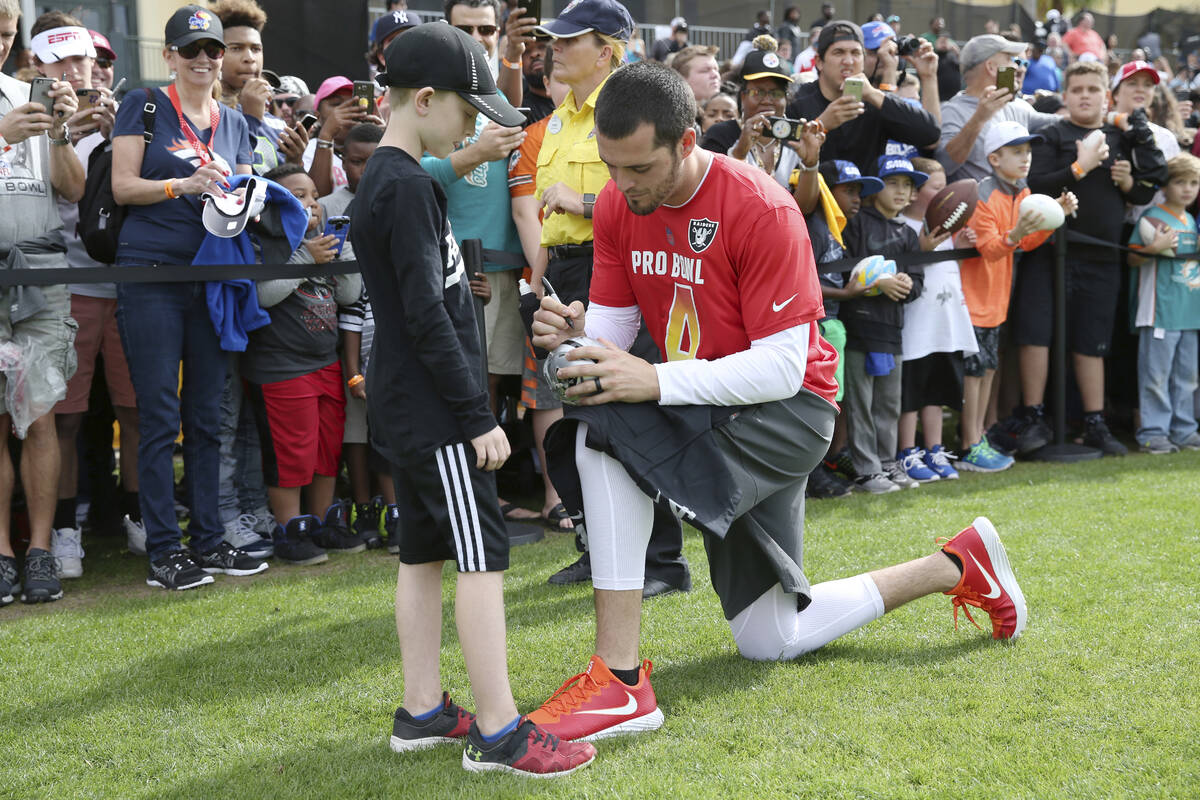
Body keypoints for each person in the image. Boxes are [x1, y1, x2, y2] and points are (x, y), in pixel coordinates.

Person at [527, 63, 1028, 742]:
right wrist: (578, 336)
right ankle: (959, 563)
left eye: (637, 167)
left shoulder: (760, 206)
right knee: (772, 636)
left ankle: (618, 684)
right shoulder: (620, 202)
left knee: (601, 432)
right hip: (708, 405)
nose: (620, 186)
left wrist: (652, 382)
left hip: (787, 413)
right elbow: (615, 333)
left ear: (685, 142)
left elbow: (783, 368)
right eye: (611, 168)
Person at [351, 21, 596, 777]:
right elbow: (426, 315)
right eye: (467, 110)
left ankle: (422, 712)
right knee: (481, 555)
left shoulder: (397, 180)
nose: (473, 128)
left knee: (424, 551)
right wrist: (476, 417)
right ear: (423, 100)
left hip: (406, 401)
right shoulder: (409, 186)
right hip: (433, 408)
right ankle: (498, 732)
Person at [531, 0, 691, 593]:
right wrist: (537, 279)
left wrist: (586, 204)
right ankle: (600, 549)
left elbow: (659, 203)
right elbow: (551, 215)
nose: (556, 48)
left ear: (607, 50)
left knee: (633, 415)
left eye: (570, 40)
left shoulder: (639, 109)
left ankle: (663, 561)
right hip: (568, 275)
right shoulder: (559, 117)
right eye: (554, 39)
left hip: (629, 273)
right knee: (583, 415)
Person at [110, 5, 265, 591]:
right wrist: (183, 184)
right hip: (149, 274)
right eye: (192, 49)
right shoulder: (145, 104)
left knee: (205, 415)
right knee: (158, 417)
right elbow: (124, 187)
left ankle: (209, 540)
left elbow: (245, 188)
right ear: (170, 55)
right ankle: (164, 552)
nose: (204, 59)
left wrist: (248, 199)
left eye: (213, 50)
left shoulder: (233, 120)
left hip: (211, 274)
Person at [27, 11, 134, 580]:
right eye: (64, 60)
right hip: (64, 285)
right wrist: (66, 129)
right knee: (63, 418)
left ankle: (142, 515)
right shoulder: (28, 116)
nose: (78, 70)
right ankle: (65, 529)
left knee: (136, 409)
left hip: (129, 281)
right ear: (38, 66)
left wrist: (116, 135)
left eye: (84, 59)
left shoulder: (124, 115)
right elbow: (69, 187)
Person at [1018, 60, 1166, 456]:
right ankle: (1033, 416)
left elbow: (1149, 186)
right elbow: (1035, 186)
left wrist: (1129, 180)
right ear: (1065, 96)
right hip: (1048, 254)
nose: (1085, 95)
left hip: (1101, 256)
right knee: (1037, 334)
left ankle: (1095, 421)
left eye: (1093, 89)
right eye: (1077, 89)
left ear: (1106, 97)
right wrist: (1080, 166)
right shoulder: (1051, 134)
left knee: (1092, 342)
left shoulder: (1121, 137)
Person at [425, 0, 530, 525]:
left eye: (485, 27)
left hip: (503, 266)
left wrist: (510, 57)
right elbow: (408, 174)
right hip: (449, 266)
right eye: (464, 27)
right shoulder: (427, 94)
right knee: (468, 381)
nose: (477, 35)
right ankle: (472, 496)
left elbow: (510, 113)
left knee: (495, 383)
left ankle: (485, 493)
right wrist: (474, 153)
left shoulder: (497, 96)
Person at [0, 1, 85, 605]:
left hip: (42, 267)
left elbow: (74, 187)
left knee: (41, 415)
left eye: (3, 34)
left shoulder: (21, 89)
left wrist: (58, 133)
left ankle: (39, 552)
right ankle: (1, 554)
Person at [242, 162, 362, 561]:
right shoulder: (263, 243)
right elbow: (262, 295)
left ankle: (322, 522)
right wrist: (304, 259)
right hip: (281, 368)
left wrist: (340, 249)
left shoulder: (320, 242)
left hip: (325, 362)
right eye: (298, 196)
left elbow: (349, 294)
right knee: (291, 453)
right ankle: (289, 529)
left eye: (314, 195)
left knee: (326, 451)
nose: (312, 204)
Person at [959, 121, 1073, 471]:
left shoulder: (1021, 191)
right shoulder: (982, 195)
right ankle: (968, 445)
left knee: (989, 370)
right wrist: (1018, 232)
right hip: (973, 301)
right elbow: (989, 248)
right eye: (1017, 151)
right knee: (974, 375)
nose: (1026, 158)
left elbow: (1024, 243)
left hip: (996, 301)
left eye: (1028, 151)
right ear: (994, 158)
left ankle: (980, 436)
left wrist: (1053, 219)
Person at [840, 155, 947, 493]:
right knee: (861, 405)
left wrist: (904, 284)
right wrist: (877, 283)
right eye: (893, 183)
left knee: (888, 404)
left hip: (892, 332)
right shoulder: (857, 224)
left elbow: (916, 284)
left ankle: (888, 464)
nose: (901, 192)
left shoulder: (908, 232)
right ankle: (867, 471)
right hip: (859, 329)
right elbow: (847, 274)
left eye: (908, 185)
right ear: (876, 188)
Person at [895, 157, 979, 482]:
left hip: (947, 325)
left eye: (948, 185)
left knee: (938, 391)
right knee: (912, 393)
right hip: (916, 327)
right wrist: (921, 248)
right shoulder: (903, 226)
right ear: (916, 193)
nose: (947, 193)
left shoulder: (951, 230)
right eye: (937, 186)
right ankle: (906, 450)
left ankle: (935, 448)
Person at [805, 159, 877, 498]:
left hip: (833, 322)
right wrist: (847, 292)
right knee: (819, 400)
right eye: (848, 190)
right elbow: (806, 281)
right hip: (817, 324)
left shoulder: (836, 227)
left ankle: (831, 460)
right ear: (826, 190)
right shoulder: (814, 227)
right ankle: (812, 472)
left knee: (835, 399)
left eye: (859, 191)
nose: (857, 197)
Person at [786, 21, 939, 175]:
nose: (848, 61)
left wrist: (874, 95)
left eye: (855, 53)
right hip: (811, 196)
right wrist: (821, 125)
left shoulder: (874, 101)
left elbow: (930, 136)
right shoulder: (797, 100)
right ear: (819, 62)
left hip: (864, 196)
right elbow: (781, 157)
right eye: (838, 52)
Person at [1127, 153, 1200, 453]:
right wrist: (1152, 248)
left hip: (1190, 312)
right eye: (1180, 182)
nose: (1187, 189)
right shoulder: (1151, 219)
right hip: (1158, 311)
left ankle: (1184, 430)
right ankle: (1153, 432)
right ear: (1164, 186)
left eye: (1194, 183)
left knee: (1187, 377)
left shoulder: (1193, 221)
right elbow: (1131, 258)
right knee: (1155, 376)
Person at [938, 34, 1061, 183]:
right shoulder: (952, 111)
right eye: (1010, 59)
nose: (1017, 67)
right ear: (991, 67)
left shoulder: (1017, 106)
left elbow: (1060, 122)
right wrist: (979, 118)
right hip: (979, 206)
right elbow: (944, 165)